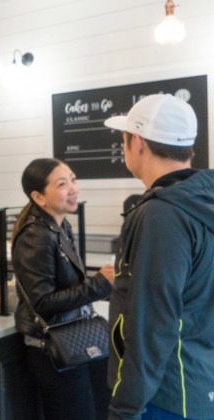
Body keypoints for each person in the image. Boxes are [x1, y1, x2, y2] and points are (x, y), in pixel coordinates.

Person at [103, 93, 214, 420]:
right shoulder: (202, 202)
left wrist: (124, 409)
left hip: (166, 397)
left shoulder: (162, 216)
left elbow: (151, 323)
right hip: (199, 385)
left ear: (136, 142)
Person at [11, 158, 115, 420]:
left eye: (73, 179)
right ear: (39, 197)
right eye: (62, 184)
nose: (73, 188)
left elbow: (69, 284)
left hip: (75, 336)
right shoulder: (36, 235)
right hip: (52, 349)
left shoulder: (60, 225)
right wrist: (100, 284)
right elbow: (43, 303)